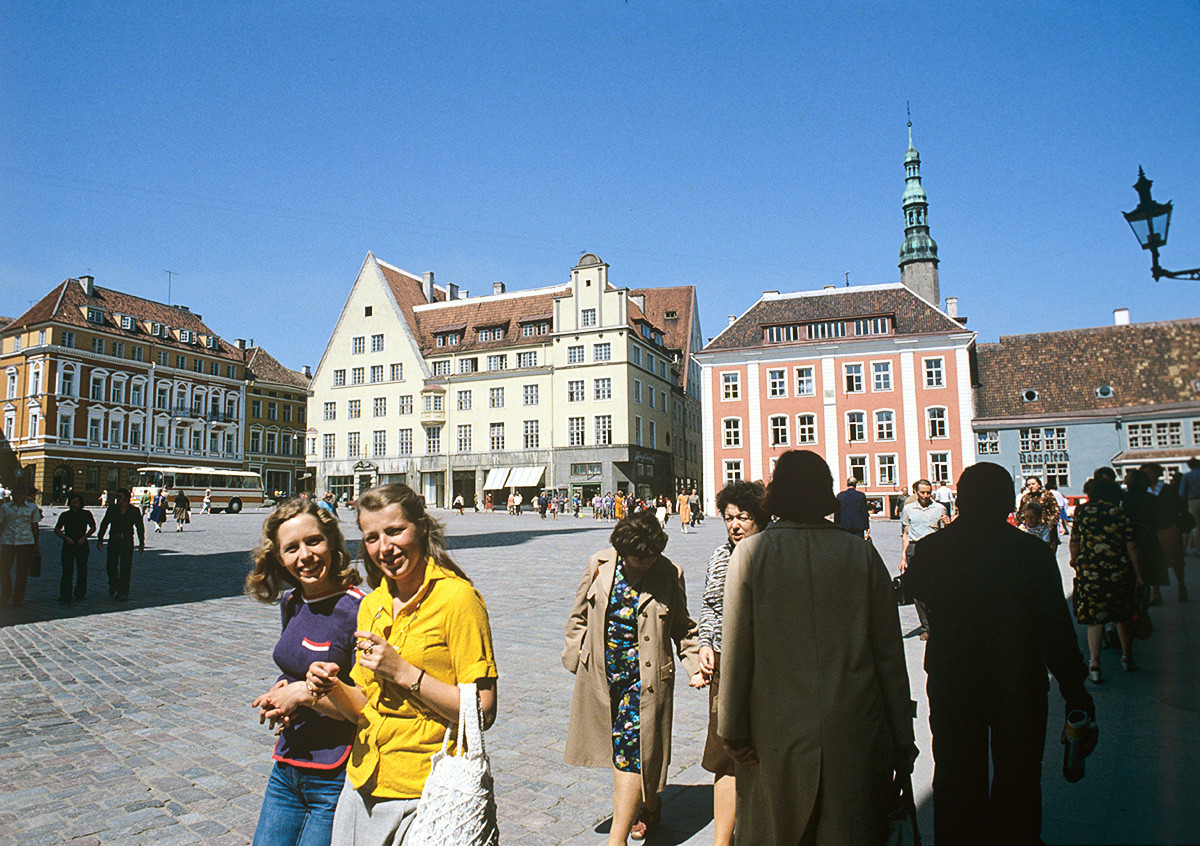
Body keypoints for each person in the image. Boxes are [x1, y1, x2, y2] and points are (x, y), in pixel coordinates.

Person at [718, 450, 915, 846]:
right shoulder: (861, 553)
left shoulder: (752, 554)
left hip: (774, 730)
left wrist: (732, 728)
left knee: (779, 830)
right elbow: (890, 656)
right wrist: (902, 736)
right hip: (854, 725)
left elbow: (737, 651)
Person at [903, 462, 1097, 845]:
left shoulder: (931, 549)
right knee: (1019, 775)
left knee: (957, 777)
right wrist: (1076, 690)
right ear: (1008, 501)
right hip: (1018, 680)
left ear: (960, 499)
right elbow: (1056, 629)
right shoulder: (1032, 553)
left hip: (954, 679)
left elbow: (912, 590)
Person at [306, 484, 498, 844]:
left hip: (427, 790)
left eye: (395, 531)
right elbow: (364, 705)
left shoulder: (458, 599)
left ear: (421, 528)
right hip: (363, 782)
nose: (384, 548)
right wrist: (330, 687)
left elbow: (483, 711)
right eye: (372, 537)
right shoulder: (371, 604)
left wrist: (404, 672)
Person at [564, 511, 703, 845]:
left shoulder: (669, 573)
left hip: (645, 681)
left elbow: (683, 626)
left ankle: (617, 839)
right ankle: (651, 805)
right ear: (623, 552)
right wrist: (575, 656)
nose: (647, 562)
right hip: (601, 675)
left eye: (652, 555)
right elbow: (578, 616)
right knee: (627, 752)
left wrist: (695, 664)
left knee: (630, 752)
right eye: (640, 558)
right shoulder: (599, 565)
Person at [245, 499, 366, 846]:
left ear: (332, 542)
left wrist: (302, 695)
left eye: (314, 541)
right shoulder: (292, 602)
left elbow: (366, 708)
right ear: (279, 558)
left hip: (334, 776)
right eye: (291, 548)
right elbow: (295, 667)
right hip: (287, 766)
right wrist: (282, 691)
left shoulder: (359, 610)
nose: (305, 556)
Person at [696, 480, 768, 846]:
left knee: (766, 752)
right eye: (728, 518)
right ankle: (722, 841)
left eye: (743, 517)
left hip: (767, 668)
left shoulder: (772, 553)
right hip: (725, 663)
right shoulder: (719, 556)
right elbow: (710, 605)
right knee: (725, 755)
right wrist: (705, 643)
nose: (735, 525)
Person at [1070, 477, 1142, 681]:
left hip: (1090, 570)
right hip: (1117, 570)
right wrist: (1139, 574)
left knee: (1095, 618)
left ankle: (1094, 663)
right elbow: (1131, 545)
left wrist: (1075, 561)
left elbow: (1074, 541)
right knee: (1122, 616)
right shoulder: (1119, 512)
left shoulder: (1082, 512)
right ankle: (1127, 658)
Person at [899, 479, 947, 639]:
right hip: (915, 549)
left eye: (928, 492)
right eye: (922, 492)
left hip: (935, 551)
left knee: (937, 588)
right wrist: (903, 557)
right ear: (915, 492)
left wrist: (948, 524)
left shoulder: (940, 509)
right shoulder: (908, 509)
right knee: (918, 590)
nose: (926, 496)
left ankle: (938, 622)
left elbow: (945, 533)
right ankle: (926, 626)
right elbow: (906, 533)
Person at [1124, 468, 1170, 606]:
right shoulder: (1152, 499)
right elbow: (1163, 521)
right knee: (1153, 567)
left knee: (1137, 572)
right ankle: (1156, 593)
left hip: (1132, 539)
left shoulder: (1126, 500)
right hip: (1150, 537)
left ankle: (1141, 599)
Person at [96, 488, 146, 601]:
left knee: (126, 567)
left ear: (127, 499)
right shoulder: (112, 509)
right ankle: (113, 584)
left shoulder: (134, 511)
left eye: (119, 497)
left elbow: (140, 527)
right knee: (111, 565)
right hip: (114, 540)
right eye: (116, 497)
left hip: (127, 542)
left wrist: (141, 542)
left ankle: (123, 592)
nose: (117, 499)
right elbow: (104, 523)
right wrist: (100, 539)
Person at [0, 485, 43, 607]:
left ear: (25, 495)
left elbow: (35, 526)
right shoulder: (5, 507)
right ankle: (6, 593)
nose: (19, 496)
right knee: (3, 569)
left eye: (21, 493)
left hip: (25, 542)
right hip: (8, 542)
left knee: (22, 572)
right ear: (12, 495)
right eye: (16, 493)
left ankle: (18, 598)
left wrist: (36, 544)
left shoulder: (32, 508)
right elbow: (1, 524)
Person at [54, 493, 96, 602]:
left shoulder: (86, 514)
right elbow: (57, 530)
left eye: (76, 502)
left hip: (82, 544)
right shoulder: (65, 515)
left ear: (81, 503)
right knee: (67, 571)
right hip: (69, 544)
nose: (73, 505)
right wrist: (66, 538)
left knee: (82, 569)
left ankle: (80, 593)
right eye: (72, 503)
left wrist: (85, 537)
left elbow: (93, 527)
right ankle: (65, 595)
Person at [1019, 476, 1061, 549]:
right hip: (1030, 530)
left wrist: (1049, 526)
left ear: (1039, 484)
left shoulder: (1047, 495)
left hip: (1046, 530)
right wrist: (1024, 524)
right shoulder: (1026, 498)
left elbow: (1055, 511)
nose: (1031, 486)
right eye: (1029, 485)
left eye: (1033, 484)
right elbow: (1020, 513)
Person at [1183, 457, 1200, 552]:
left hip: (1193, 501)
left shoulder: (1187, 476)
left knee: (1197, 526)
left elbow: (1182, 492)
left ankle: (1199, 549)